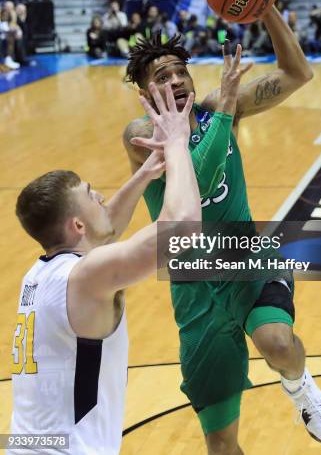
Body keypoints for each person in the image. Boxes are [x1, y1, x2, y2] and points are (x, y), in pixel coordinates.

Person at [122, 7, 321, 454]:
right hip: (194, 287)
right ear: (145, 92)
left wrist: (268, 9)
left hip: (245, 258)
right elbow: (195, 182)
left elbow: (298, 73)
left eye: (181, 72)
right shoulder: (142, 134)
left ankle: (300, 388)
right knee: (221, 445)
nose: (176, 80)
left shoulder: (219, 110)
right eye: (163, 77)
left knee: (276, 343)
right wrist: (224, 109)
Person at [10, 84, 201, 454]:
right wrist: (178, 143)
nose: (100, 196)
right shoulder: (85, 277)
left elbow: (104, 226)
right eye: (90, 192)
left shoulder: (39, 274)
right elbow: (183, 226)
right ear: (77, 226)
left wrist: (147, 171)